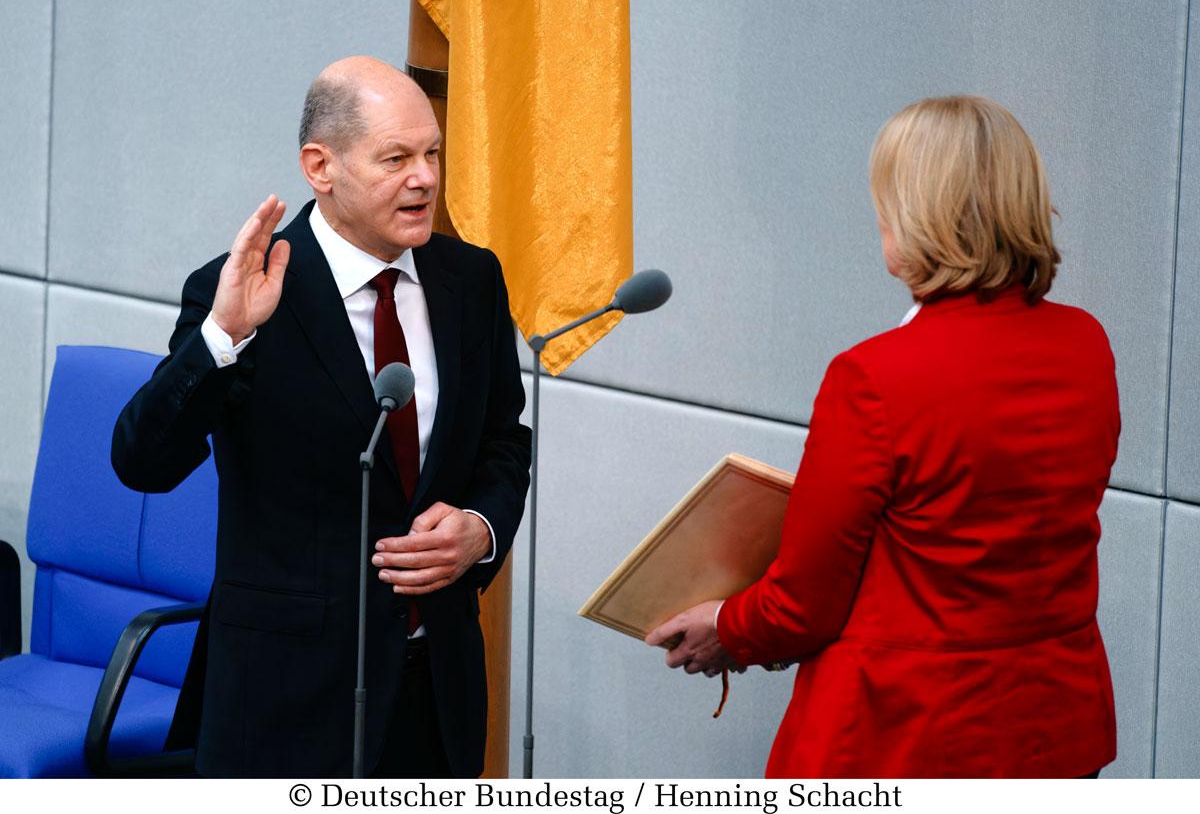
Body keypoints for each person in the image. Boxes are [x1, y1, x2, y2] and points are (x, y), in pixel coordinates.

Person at [647, 95, 1120, 778]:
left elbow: (804, 605)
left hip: (911, 739)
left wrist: (725, 626)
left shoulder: (874, 377)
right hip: (1055, 734)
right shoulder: (1086, 344)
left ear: (920, 214)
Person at [111, 56, 531, 778]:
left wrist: (481, 527)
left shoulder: (472, 279)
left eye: (432, 154)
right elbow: (143, 460)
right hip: (285, 701)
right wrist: (222, 338)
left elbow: (503, 439)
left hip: (436, 690)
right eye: (396, 159)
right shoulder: (243, 290)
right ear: (320, 166)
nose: (425, 178)